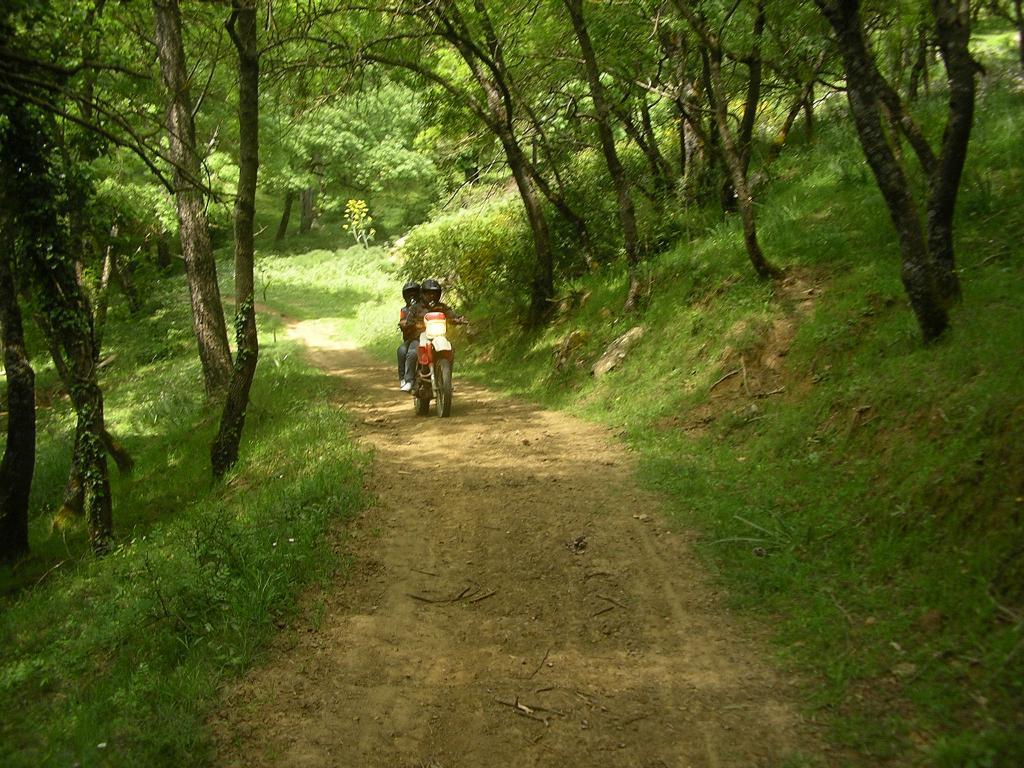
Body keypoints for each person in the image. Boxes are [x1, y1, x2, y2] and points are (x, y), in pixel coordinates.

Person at [400, 278, 464, 392]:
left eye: (435, 293)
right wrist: (409, 324)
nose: (432, 296)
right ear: (423, 294)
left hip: (438, 335)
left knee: (451, 349)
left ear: (438, 294)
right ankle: (409, 380)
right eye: (429, 293)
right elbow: (409, 320)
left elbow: (451, 314)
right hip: (421, 336)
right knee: (412, 353)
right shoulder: (416, 308)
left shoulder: (441, 307)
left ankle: (446, 379)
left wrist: (458, 319)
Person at [397, 280, 421, 389]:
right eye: (409, 293)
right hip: (410, 338)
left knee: (412, 352)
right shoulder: (404, 310)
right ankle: (403, 378)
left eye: (414, 292)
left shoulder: (423, 308)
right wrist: (404, 324)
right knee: (401, 351)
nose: (412, 295)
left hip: (423, 337)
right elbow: (402, 321)